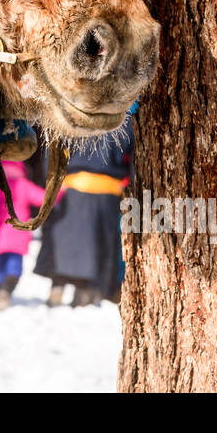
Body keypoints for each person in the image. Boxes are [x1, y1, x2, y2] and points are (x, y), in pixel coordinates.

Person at [35, 112, 133, 307]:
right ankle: (85, 292)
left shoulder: (73, 111)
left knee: (66, 241)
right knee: (96, 244)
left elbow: (54, 146)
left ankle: (60, 286)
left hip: (73, 187)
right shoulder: (125, 117)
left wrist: (51, 179)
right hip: (106, 191)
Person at [0, 158, 46, 309]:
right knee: (14, 268)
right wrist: (59, 190)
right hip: (17, 236)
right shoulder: (23, 185)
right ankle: (5, 292)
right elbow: (43, 199)